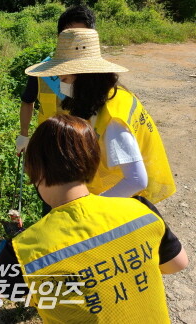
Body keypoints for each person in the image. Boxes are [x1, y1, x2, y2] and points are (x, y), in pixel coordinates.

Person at [0, 115, 188, 323]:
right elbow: (177, 263)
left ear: (35, 170)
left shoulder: (27, 248)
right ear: (92, 162)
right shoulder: (140, 209)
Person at [25, 28, 175, 214]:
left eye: (64, 79)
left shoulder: (112, 118)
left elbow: (136, 180)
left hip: (125, 200)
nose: (62, 86)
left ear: (85, 79)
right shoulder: (108, 96)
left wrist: (92, 207)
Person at [16, 5, 96, 155]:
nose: (76, 44)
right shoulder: (41, 71)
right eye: (70, 36)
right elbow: (28, 101)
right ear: (59, 37)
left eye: (82, 37)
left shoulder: (96, 78)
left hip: (79, 149)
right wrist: (24, 134)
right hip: (46, 145)